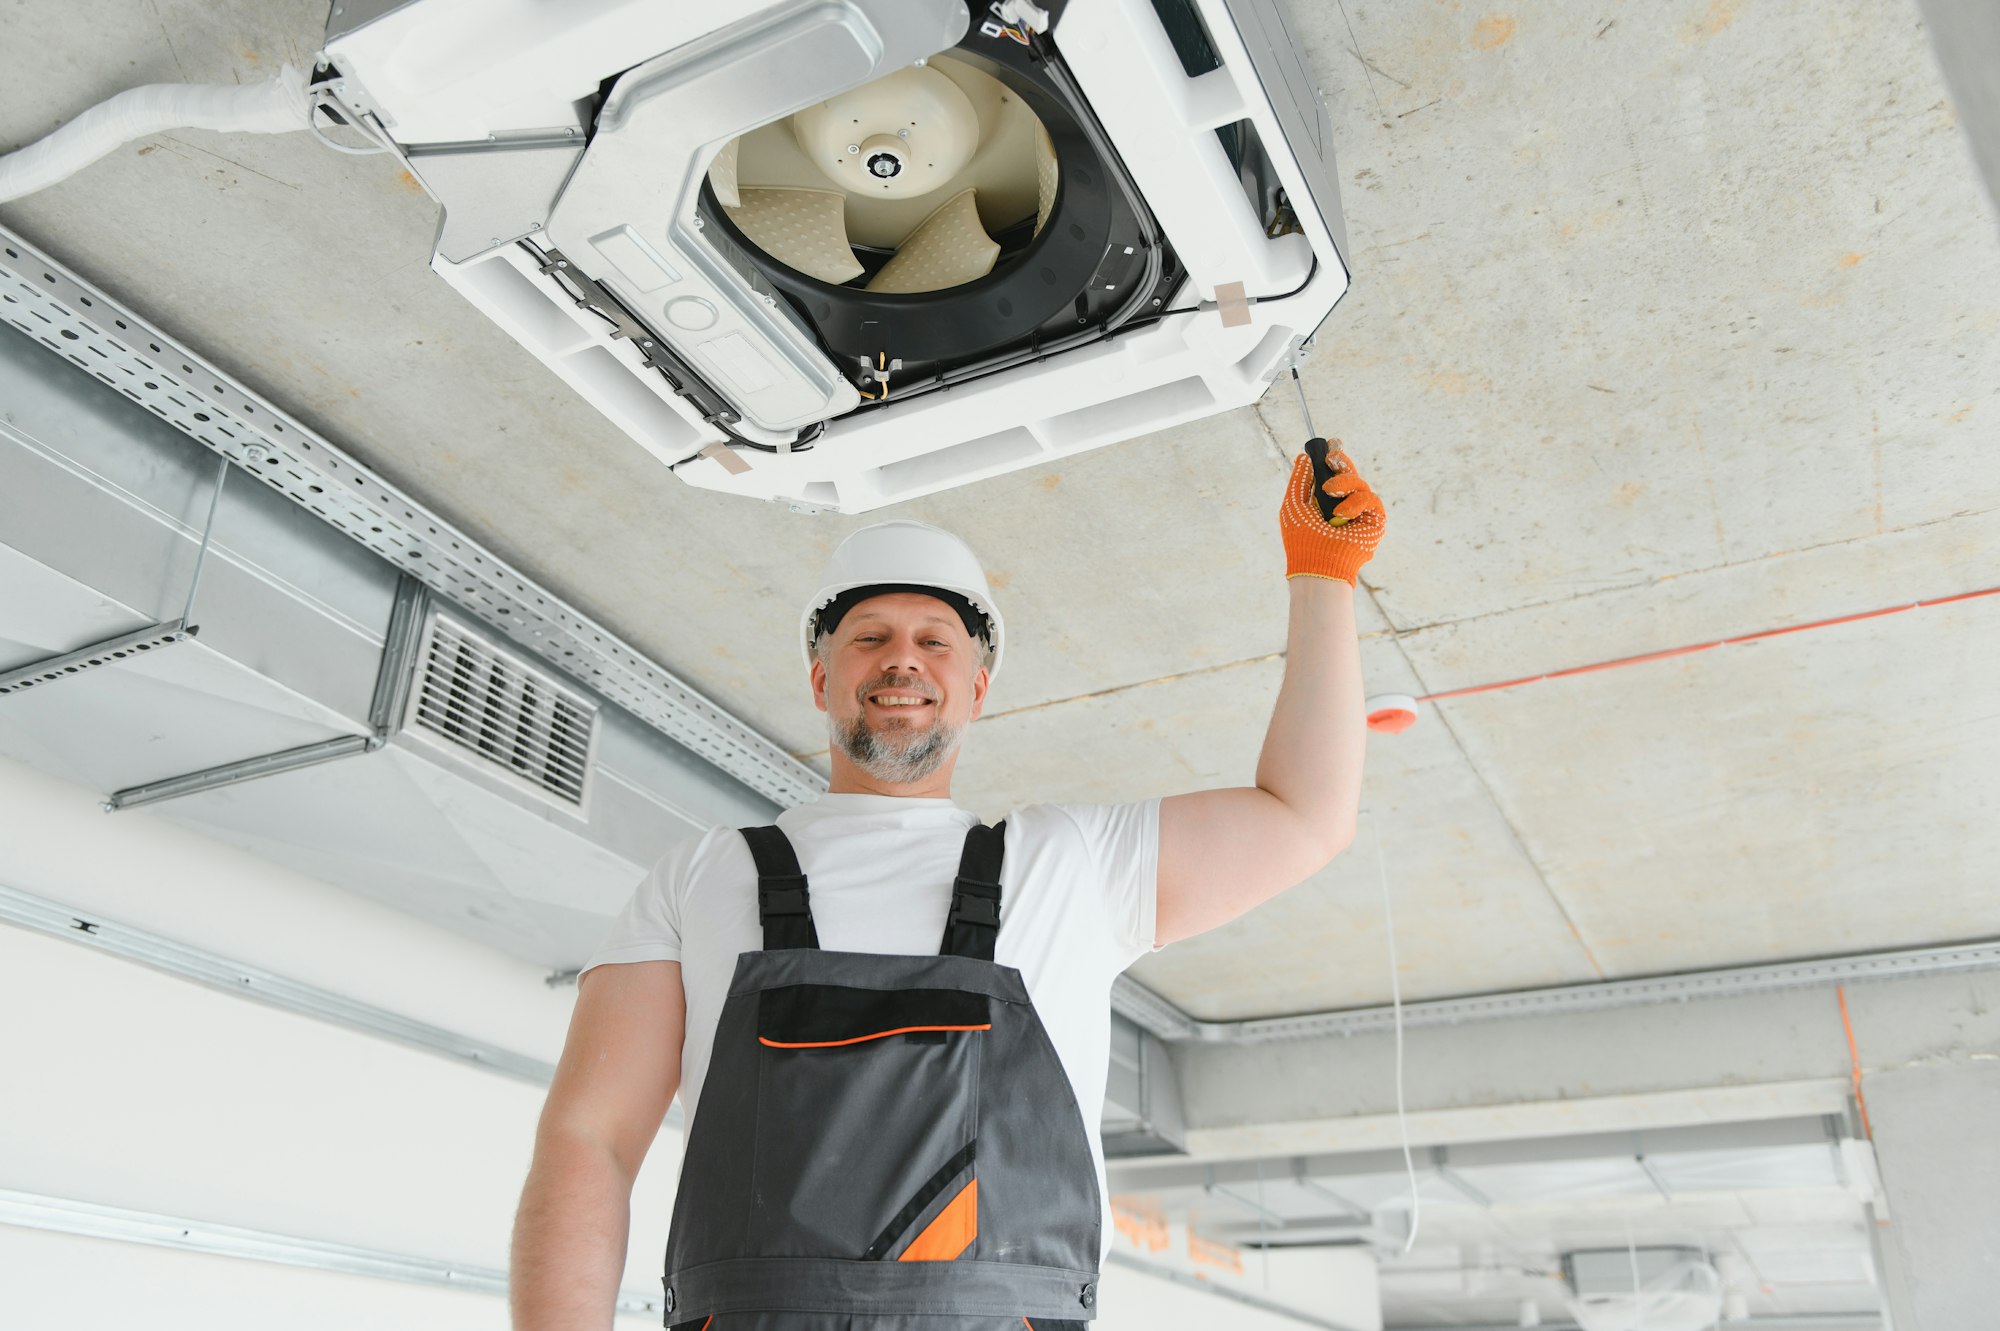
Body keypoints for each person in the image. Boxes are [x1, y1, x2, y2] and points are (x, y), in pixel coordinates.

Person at [509, 440, 1387, 1329]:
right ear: (822, 678)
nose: (903, 660)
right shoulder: (700, 874)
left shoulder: (1073, 863)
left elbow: (1304, 814)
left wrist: (1323, 578)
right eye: (870, 638)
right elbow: (590, 1138)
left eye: (935, 640)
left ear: (977, 687)